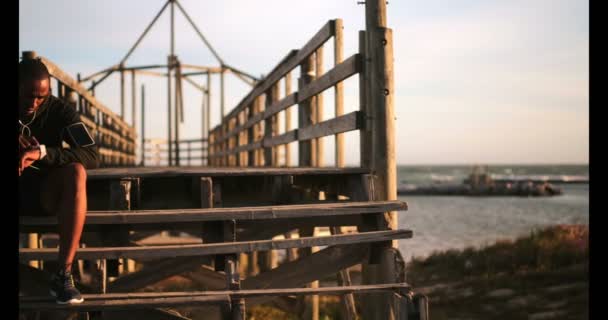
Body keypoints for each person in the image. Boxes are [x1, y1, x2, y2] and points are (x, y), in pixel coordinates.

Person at [18, 57, 99, 304]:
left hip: (42, 193)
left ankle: (63, 275)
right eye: (28, 95)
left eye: (41, 97)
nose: (34, 102)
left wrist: (42, 152)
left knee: (77, 172)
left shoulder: (59, 110)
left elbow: (91, 154)